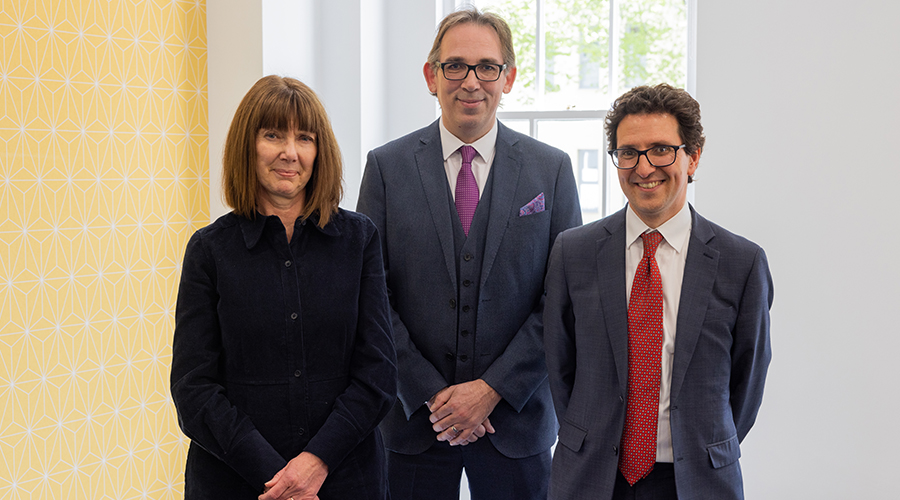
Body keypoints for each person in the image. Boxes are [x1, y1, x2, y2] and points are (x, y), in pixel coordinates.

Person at [356, 7, 582, 500]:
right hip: (413, 423)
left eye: (487, 67)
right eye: (455, 66)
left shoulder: (552, 171)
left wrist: (492, 389)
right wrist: (432, 394)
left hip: (515, 425)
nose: (471, 81)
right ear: (431, 76)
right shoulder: (385, 169)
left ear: (509, 78)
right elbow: (370, 297)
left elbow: (564, 299)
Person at [170, 75, 397, 500]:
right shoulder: (208, 250)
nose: (289, 153)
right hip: (235, 482)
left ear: (319, 150)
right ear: (247, 146)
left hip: (345, 478)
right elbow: (193, 388)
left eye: (304, 138)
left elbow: (379, 374)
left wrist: (315, 464)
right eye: (272, 134)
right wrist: (277, 477)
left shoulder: (359, 240)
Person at [543, 83, 773, 500]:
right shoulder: (572, 252)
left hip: (697, 480)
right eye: (628, 152)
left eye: (661, 150)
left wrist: (703, 443)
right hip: (591, 476)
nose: (643, 167)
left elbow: (747, 380)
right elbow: (561, 367)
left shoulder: (742, 262)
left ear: (693, 156)